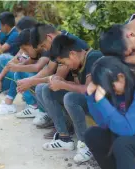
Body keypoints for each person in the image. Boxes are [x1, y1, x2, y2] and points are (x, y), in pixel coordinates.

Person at [42, 35, 102, 163]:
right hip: (92, 103)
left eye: (64, 62)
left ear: (72, 54)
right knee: (48, 90)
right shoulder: (77, 64)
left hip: (105, 106)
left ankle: (86, 145)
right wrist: (61, 81)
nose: (66, 67)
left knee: (71, 98)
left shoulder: (93, 57)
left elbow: (88, 90)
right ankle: (64, 138)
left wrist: (63, 85)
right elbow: (78, 86)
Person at [16, 24, 89, 128]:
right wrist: (29, 80)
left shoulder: (66, 43)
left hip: (80, 88)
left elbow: (59, 76)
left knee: (44, 89)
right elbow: (49, 69)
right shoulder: (59, 40)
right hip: (74, 84)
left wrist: (31, 81)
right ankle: (59, 124)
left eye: (44, 46)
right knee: (41, 87)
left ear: (49, 37)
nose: (45, 50)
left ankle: (64, 130)